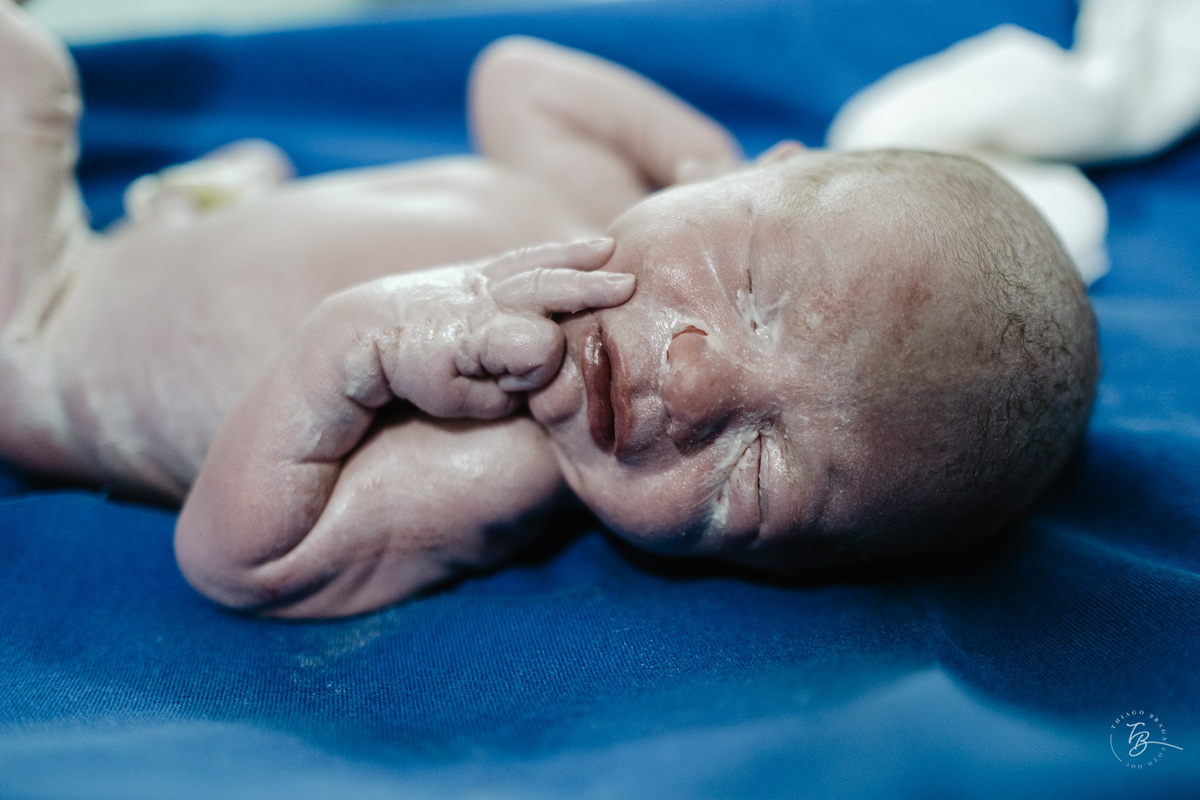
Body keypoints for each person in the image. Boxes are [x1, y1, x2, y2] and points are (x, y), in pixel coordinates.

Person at [0, 1, 1098, 618]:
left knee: (25, 66)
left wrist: (362, 344)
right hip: (137, 250)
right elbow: (515, 75)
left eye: (755, 476)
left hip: (40, 323)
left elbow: (238, 560)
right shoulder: (596, 207)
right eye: (752, 278)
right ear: (765, 168)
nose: (699, 381)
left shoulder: (492, 463)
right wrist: (687, 161)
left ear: (768, 567)